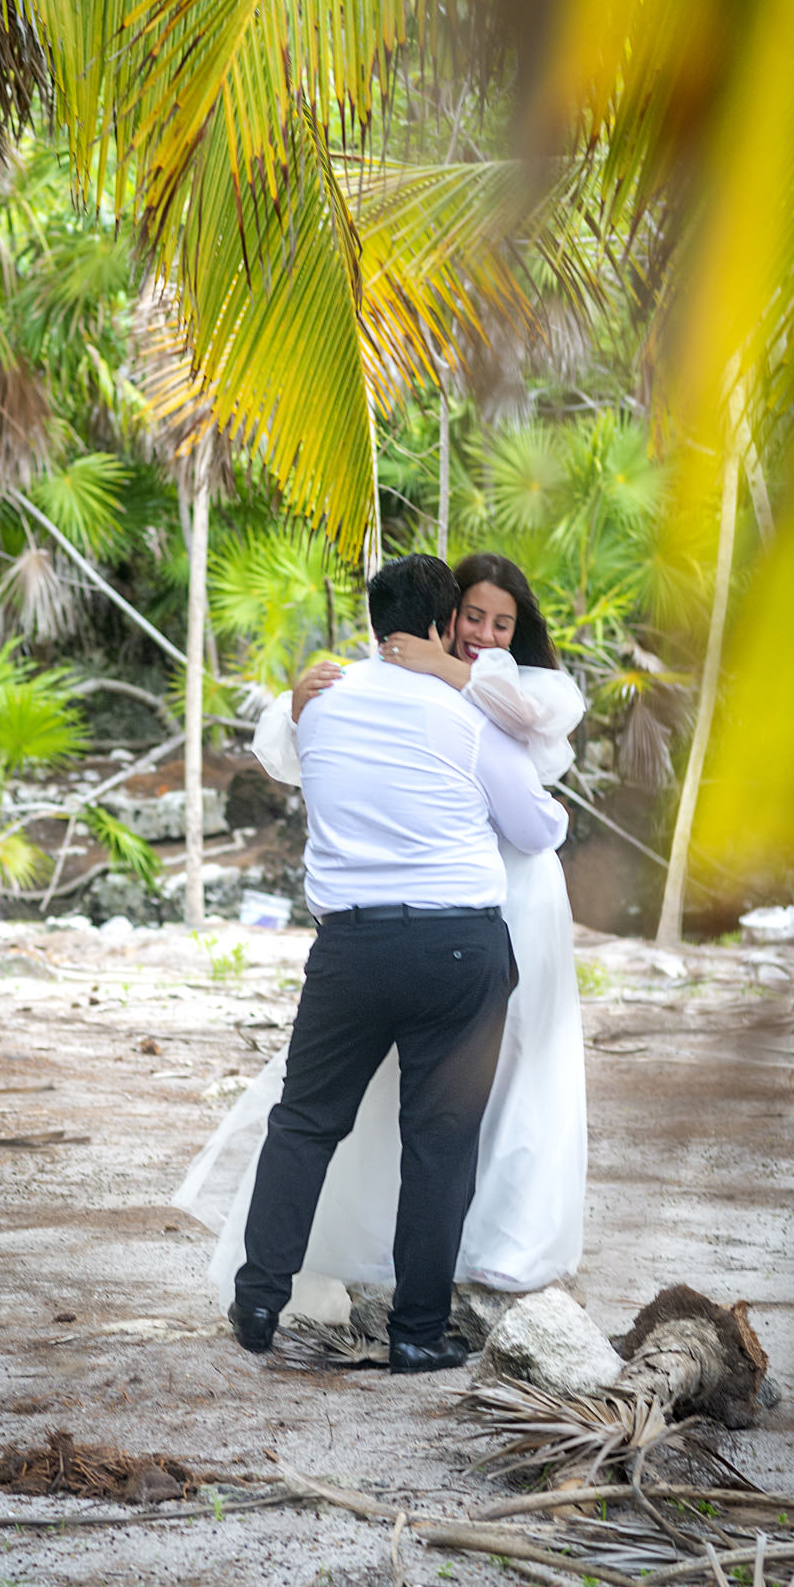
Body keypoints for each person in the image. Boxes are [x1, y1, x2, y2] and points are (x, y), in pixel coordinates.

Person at [174, 551, 585, 1314]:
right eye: (472, 618)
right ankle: (420, 1327)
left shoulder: (361, 699)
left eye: (503, 623)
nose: (486, 635)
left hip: (365, 937)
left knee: (307, 1120)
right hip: (460, 932)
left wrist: (334, 698)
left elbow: (300, 758)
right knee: (439, 1135)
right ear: (441, 617)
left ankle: (259, 1301)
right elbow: (533, 824)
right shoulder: (461, 718)